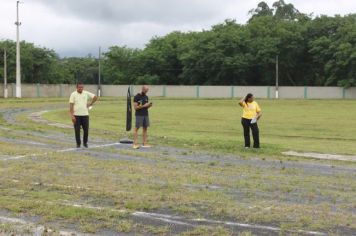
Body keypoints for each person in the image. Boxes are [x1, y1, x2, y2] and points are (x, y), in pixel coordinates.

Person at [69, 83, 98, 148]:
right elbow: (71, 105)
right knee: (77, 130)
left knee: (86, 130)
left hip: (85, 115)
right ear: (76, 87)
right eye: (79, 87)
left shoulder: (86, 93)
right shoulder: (73, 94)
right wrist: (72, 115)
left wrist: (91, 104)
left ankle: (85, 143)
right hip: (76, 115)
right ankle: (78, 144)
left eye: (82, 87)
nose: (81, 89)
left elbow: (95, 97)